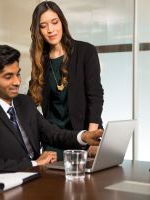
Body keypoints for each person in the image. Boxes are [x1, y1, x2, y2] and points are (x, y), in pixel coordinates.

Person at [0, 44, 102, 173]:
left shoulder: (25, 102)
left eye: (18, 74)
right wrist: (35, 163)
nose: (17, 82)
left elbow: (53, 134)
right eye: (8, 77)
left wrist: (84, 136)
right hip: (10, 187)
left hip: (39, 177)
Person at [29, 1, 104, 160]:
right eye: (43, 26)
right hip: (54, 143)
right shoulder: (40, 62)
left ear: (62, 22)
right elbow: (29, 103)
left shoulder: (85, 51)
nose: (50, 30)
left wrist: (91, 139)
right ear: (38, 31)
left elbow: (95, 97)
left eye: (54, 22)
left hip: (86, 139)